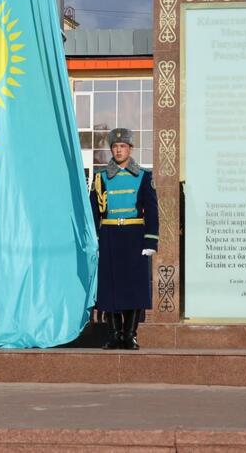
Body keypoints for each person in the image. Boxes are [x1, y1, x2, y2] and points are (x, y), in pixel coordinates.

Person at [90, 128, 159, 350]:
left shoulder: (143, 176)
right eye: (115, 147)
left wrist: (150, 241)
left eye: (122, 147)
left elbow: (152, 210)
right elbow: (93, 212)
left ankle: (130, 335)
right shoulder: (100, 178)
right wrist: (94, 241)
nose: (118, 150)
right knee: (109, 287)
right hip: (109, 236)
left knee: (132, 287)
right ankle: (113, 335)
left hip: (134, 236)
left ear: (130, 149)